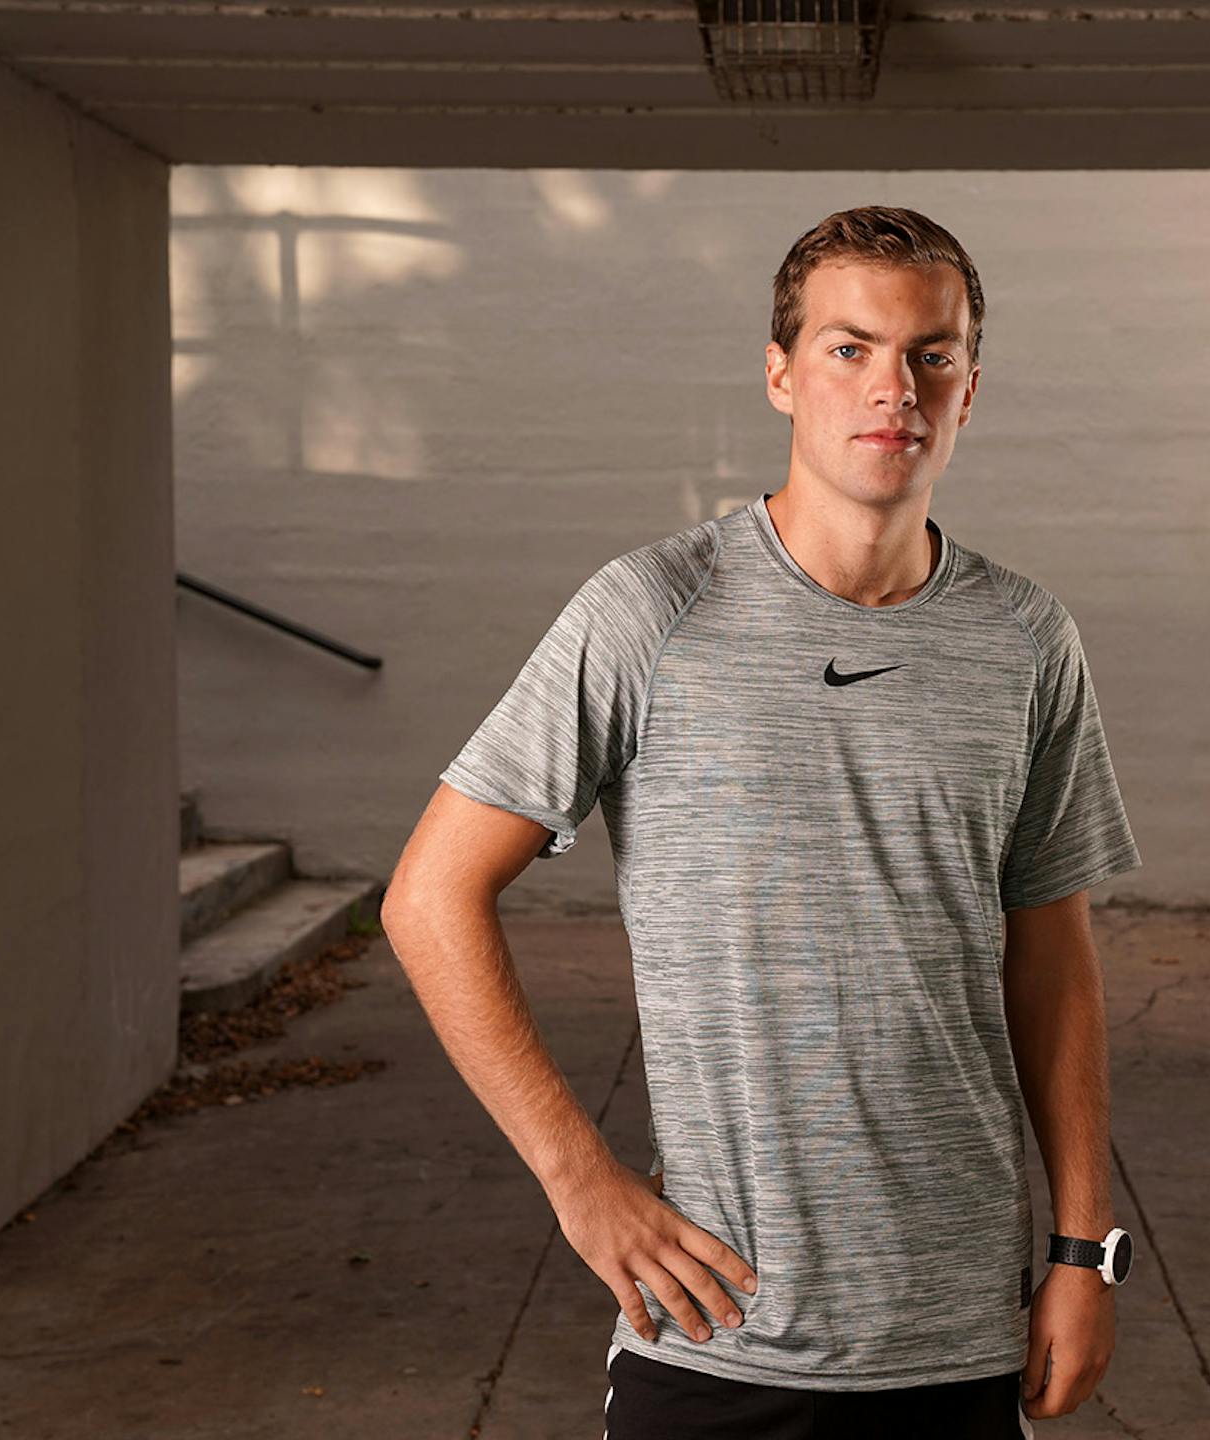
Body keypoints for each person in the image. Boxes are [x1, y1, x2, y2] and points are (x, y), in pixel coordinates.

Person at [381, 205, 1143, 1439]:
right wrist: (580, 1185)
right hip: (720, 1338)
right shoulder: (653, 612)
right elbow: (428, 898)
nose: (893, 386)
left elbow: (1052, 958)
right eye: (850, 349)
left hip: (960, 1333)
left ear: (969, 388)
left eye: (930, 354)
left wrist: (1083, 1251)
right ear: (782, 374)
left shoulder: (1025, 639)